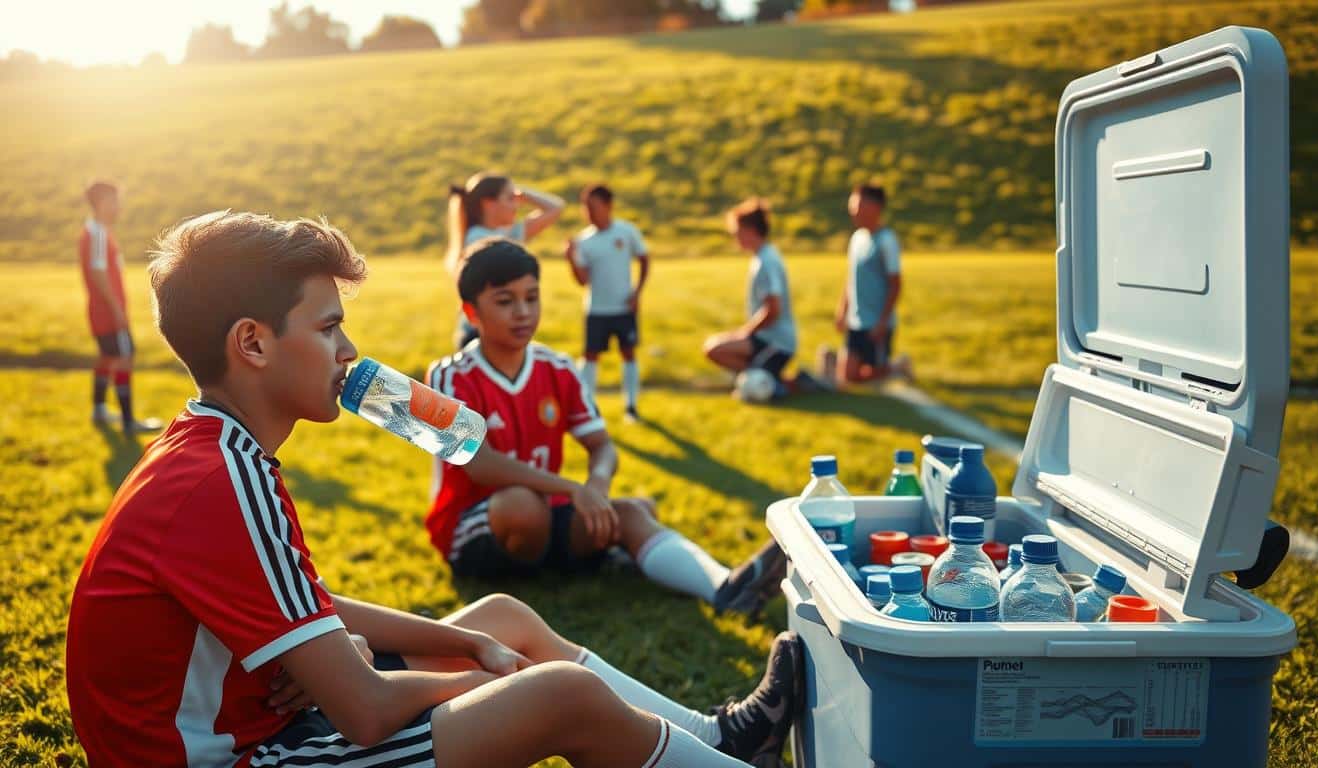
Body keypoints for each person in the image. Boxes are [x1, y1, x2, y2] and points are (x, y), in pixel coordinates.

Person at [65, 210, 801, 768]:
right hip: (249, 756)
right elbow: (365, 710)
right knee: (558, 693)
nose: (351, 352)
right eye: (329, 329)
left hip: (267, 720)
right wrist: (491, 670)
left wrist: (472, 643)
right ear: (252, 344)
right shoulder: (223, 477)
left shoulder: (212, 446)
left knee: (503, 618)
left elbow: (307, 605)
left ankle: (721, 738)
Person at [426, 238, 784, 617]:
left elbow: (602, 446)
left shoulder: (558, 367)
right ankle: (606, 557)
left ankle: (726, 588)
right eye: (505, 301)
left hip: (545, 514)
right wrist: (572, 489)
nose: (523, 312)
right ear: (471, 311)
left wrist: (595, 486)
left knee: (631, 512)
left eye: (532, 297)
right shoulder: (450, 375)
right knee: (522, 505)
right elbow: (477, 462)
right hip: (477, 527)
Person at [79, 180, 161, 436]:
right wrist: (116, 309)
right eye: (114, 202)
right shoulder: (98, 233)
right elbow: (98, 272)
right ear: (102, 203)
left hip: (98, 310)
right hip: (107, 311)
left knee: (108, 356)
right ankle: (128, 422)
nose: (118, 207)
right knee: (125, 357)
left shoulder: (92, 231)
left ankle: (99, 409)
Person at [445, 172, 564, 349]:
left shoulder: (508, 235)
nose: (516, 204)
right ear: (488, 203)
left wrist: (522, 193)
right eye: (510, 198)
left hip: (501, 328)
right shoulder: (477, 240)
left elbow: (556, 208)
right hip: (479, 333)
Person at [563, 183, 649, 422]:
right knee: (590, 355)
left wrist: (637, 292)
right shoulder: (583, 241)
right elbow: (583, 280)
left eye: (593, 206)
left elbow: (644, 259)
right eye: (585, 207)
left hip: (623, 307)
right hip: (597, 309)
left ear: (608, 206)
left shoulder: (626, 231)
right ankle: (587, 406)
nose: (588, 212)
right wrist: (571, 259)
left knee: (628, 353)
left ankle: (631, 406)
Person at [702, 198, 799, 397]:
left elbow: (773, 309)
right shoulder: (762, 257)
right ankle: (766, 380)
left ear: (751, 230)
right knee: (713, 345)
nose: (735, 237)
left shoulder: (767, 261)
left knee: (715, 349)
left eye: (737, 232)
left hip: (776, 342)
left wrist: (745, 332)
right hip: (764, 337)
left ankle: (773, 383)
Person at [833, 183, 912, 384]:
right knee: (847, 377)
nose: (853, 212)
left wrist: (883, 321)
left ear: (874, 207)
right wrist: (843, 310)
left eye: (857, 206)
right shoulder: (857, 239)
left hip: (876, 323)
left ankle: (897, 367)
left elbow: (895, 284)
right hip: (856, 321)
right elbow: (851, 278)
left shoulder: (886, 240)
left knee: (873, 373)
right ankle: (892, 366)